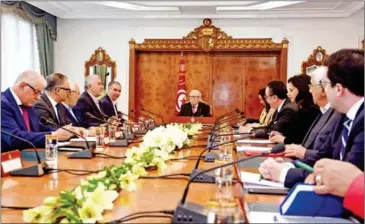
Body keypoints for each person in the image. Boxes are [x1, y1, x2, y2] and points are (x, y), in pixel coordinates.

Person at [259, 49, 364, 188]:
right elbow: (325, 158)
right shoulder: (343, 116)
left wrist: (285, 174)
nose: (324, 90)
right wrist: (290, 165)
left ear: (338, 89)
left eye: (326, 84)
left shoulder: (360, 121)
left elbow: (344, 179)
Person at [1, 71, 75, 151]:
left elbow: (40, 128)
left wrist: (68, 131)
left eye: (40, 93)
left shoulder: (27, 104)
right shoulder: (3, 103)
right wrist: (53, 135)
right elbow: (13, 138)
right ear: (22, 86)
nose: (38, 98)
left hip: (32, 154)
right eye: (37, 92)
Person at [270, 74, 320, 144]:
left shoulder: (310, 111)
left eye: (291, 90)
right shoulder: (301, 110)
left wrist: (284, 139)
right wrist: (279, 135)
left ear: (302, 89)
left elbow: (301, 139)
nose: (288, 94)